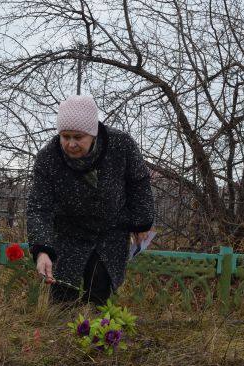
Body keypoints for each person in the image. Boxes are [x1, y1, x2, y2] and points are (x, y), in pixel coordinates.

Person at [27, 95, 154, 305]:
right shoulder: (48, 158)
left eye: (78, 137)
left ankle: (97, 334)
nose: (70, 144)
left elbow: (139, 182)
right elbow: (39, 208)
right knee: (62, 296)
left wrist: (141, 223)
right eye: (65, 136)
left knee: (98, 290)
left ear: (93, 134)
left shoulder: (121, 145)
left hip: (110, 230)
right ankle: (61, 334)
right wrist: (42, 250)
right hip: (68, 233)